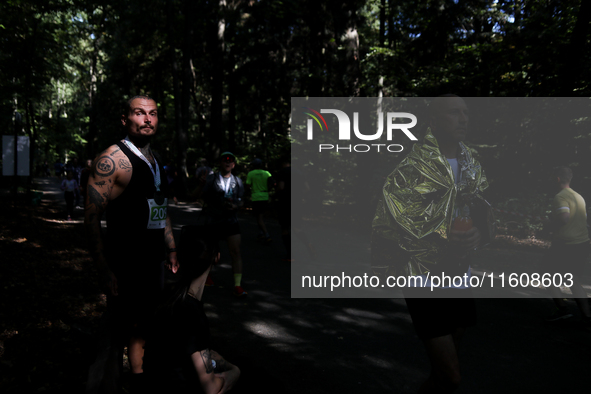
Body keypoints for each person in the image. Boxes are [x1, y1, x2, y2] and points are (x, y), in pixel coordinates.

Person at [371, 95, 492, 393]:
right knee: (452, 376)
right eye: (454, 113)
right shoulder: (411, 169)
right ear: (434, 121)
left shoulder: (471, 162)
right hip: (423, 277)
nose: (463, 118)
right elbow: (391, 224)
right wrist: (440, 234)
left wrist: (482, 233)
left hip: (460, 274)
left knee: (443, 375)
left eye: (466, 112)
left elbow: (483, 209)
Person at [84, 95, 179, 392]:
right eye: (140, 113)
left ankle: (138, 381)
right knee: (115, 333)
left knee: (144, 327)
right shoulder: (112, 159)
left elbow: (159, 207)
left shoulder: (155, 159)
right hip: (123, 265)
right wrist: (102, 267)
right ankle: (102, 386)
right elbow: (90, 218)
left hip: (152, 263)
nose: (148, 119)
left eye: (153, 113)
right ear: (126, 120)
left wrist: (171, 248)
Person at [145, 226, 240, 393]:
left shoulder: (167, 297)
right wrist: (234, 373)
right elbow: (211, 389)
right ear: (216, 258)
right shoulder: (192, 313)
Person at [544, 167, 591, 330]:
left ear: (557, 179)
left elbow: (564, 218)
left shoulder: (560, 196)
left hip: (565, 244)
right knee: (573, 280)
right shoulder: (579, 197)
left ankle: (562, 309)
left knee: (547, 275)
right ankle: (587, 316)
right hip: (582, 243)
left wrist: (548, 226)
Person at [201, 152, 247, 297]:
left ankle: (238, 285)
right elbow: (201, 196)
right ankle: (206, 277)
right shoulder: (211, 178)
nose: (227, 162)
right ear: (220, 163)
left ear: (233, 164)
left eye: (230, 160)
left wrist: (236, 206)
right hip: (214, 220)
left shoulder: (238, 181)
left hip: (230, 221)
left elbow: (242, 201)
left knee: (236, 252)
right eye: (225, 160)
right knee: (211, 253)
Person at [246, 158, 273, 242]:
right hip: (265, 196)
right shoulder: (266, 173)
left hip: (256, 197)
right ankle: (260, 233)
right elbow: (272, 182)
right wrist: (268, 189)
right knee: (260, 216)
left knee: (259, 217)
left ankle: (266, 234)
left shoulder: (251, 173)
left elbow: (247, 185)